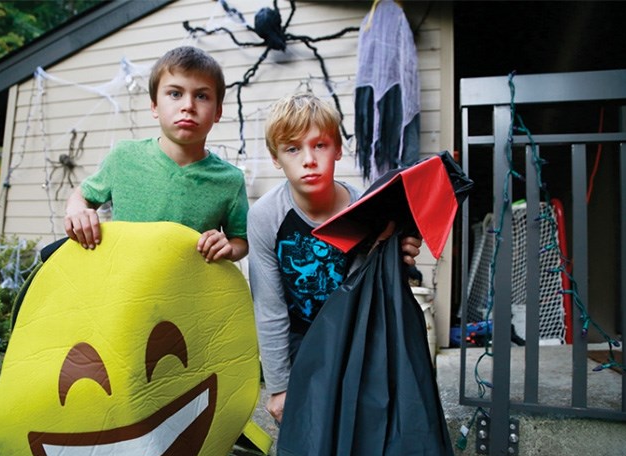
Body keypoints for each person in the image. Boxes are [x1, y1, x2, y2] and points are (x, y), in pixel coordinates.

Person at [247, 92, 422, 423]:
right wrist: (279, 386)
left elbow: (376, 293)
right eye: (292, 148)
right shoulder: (265, 216)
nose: (308, 159)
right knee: (309, 436)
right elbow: (269, 309)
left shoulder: (369, 208)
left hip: (361, 338)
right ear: (275, 157)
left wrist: (397, 257)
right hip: (302, 341)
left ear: (339, 148)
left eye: (320, 145)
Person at [64, 46, 248, 263]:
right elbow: (82, 196)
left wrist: (228, 247)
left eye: (201, 96)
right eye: (175, 94)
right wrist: (77, 212)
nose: (188, 106)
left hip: (187, 292)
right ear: (154, 106)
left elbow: (241, 240)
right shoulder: (124, 157)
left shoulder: (230, 180)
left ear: (218, 112)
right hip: (122, 289)